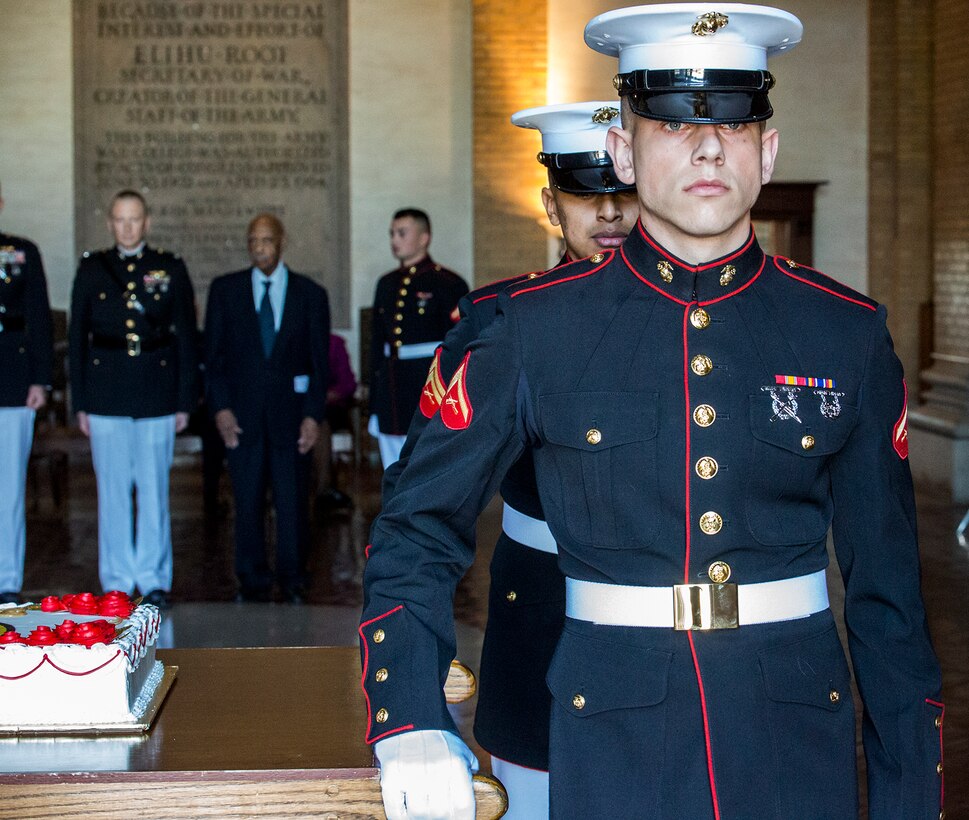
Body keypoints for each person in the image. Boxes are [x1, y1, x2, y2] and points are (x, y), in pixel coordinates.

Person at [360, 5, 944, 819]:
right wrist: (410, 719)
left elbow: (887, 596)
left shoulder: (842, 333)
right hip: (611, 736)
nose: (707, 146)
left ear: (766, 151)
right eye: (671, 123)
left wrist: (907, 796)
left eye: (734, 125)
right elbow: (416, 527)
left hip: (795, 741)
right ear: (621, 151)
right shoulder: (534, 330)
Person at [379, 101, 639, 819]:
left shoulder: (703, 321)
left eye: (626, 190)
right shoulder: (498, 320)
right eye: (588, 195)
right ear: (552, 205)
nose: (611, 215)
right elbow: (421, 498)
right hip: (543, 622)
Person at [69, 189, 196, 608]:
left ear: (147, 222)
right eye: (120, 220)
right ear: (110, 223)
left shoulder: (169, 267)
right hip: (105, 390)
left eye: (135, 219)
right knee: (113, 489)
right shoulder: (91, 269)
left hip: (156, 389)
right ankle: (118, 579)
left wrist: (183, 400)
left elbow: (185, 337)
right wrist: (80, 402)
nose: (127, 227)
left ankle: (154, 577)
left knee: (155, 488)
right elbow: (76, 338)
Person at [205, 214, 330, 604]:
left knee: (292, 503)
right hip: (241, 420)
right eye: (253, 240)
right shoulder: (225, 291)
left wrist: (313, 415)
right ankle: (252, 578)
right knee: (247, 502)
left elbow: (318, 363)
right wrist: (221, 410)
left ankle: (293, 578)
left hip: (292, 420)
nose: (260, 247)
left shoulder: (310, 294)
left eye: (267, 240)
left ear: (282, 241)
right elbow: (214, 359)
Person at [368, 208, 468, 468]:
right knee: (393, 466)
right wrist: (373, 394)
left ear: (424, 238)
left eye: (402, 233)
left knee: (429, 462)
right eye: (392, 233)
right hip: (391, 387)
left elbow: (460, 342)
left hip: (428, 384)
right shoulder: (386, 283)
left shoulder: (447, 282)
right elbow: (377, 342)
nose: (394, 240)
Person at [0, 184, 53, 604]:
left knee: (9, 487)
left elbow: (38, 315)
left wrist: (40, 378)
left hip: (12, 381)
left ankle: (6, 579)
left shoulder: (21, 252)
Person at [314, 332, 358, 513]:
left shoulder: (334, 343)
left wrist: (324, 396)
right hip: (296, 406)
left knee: (319, 423)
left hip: (330, 407)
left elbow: (348, 384)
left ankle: (323, 489)